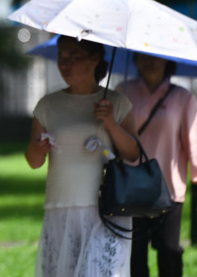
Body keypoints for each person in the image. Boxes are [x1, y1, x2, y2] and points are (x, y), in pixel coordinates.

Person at [26, 35, 140, 277]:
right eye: (61, 57)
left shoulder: (117, 103)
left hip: (107, 208)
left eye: (73, 57)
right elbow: (34, 162)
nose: (65, 64)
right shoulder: (48, 105)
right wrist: (38, 149)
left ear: (94, 59)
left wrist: (111, 124)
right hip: (62, 205)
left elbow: (133, 154)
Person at [116, 53, 197, 277]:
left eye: (156, 57)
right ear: (136, 60)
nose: (149, 62)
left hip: (169, 187)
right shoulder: (123, 91)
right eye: (143, 56)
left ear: (167, 61)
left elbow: (193, 142)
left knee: (169, 250)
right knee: (134, 254)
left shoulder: (183, 97)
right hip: (130, 187)